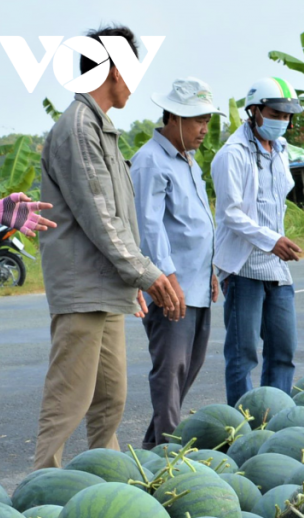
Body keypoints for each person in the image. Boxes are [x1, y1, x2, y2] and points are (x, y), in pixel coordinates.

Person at [34, 25, 179, 469]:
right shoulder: (78, 129)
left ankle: (107, 483)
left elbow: (117, 219)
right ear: (114, 69)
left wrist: (129, 276)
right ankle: (40, 491)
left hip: (105, 285)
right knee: (69, 399)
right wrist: (146, 273)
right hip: (82, 287)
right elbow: (99, 217)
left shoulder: (102, 128)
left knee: (110, 398)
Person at [131, 78, 224, 448]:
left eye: (206, 120)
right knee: (170, 370)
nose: (204, 129)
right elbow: (149, 224)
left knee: (190, 366)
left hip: (197, 283)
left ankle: (155, 446)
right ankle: (168, 449)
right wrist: (167, 277)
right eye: (197, 120)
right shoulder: (150, 161)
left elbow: (198, 222)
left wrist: (211, 269)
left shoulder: (189, 161)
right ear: (173, 117)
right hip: (171, 286)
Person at [213, 77, 304, 407]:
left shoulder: (280, 151)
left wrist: (275, 243)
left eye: (287, 116)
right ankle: (242, 426)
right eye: (276, 113)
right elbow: (231, 214)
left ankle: (276, 418)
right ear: (254, 111)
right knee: (243, 355)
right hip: (244, 267)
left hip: (277, 268)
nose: (283, 121)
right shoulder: (231, 155)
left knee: (283, 352)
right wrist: (271, 240)